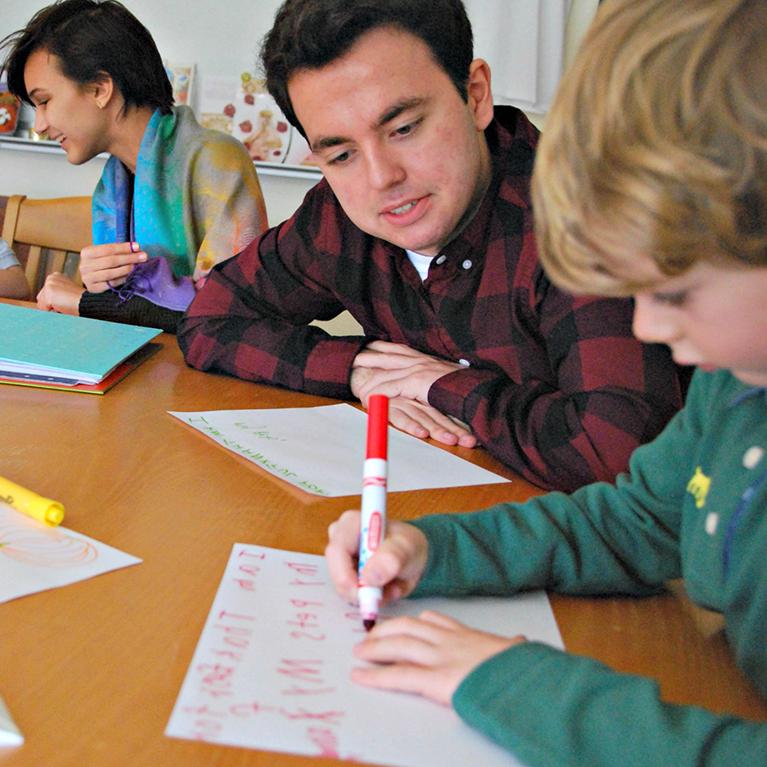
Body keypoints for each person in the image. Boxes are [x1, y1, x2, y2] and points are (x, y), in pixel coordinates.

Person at [324, 0, 767, 763]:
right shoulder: (733, 385)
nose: (652, 329)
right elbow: (631, 521)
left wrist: (522, 687)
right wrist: (434, 549)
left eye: (674, 292)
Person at [178, 0, 684, 492]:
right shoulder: (337, 215)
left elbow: (617, 453)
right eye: (341, 154)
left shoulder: (585, 216)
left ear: (476, 95)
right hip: (418, 523)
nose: (382, 178)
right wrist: (357, 369)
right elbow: (210, 318)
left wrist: (438, 385)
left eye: (403, 128)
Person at [1, 0, 267, 332]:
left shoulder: (217, 161)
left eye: (44, 102)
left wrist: (87, 299)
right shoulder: (111, 186)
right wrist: (100, 282)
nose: (39, 124)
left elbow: (233, 310)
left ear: (100, 89)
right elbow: (125, 312)